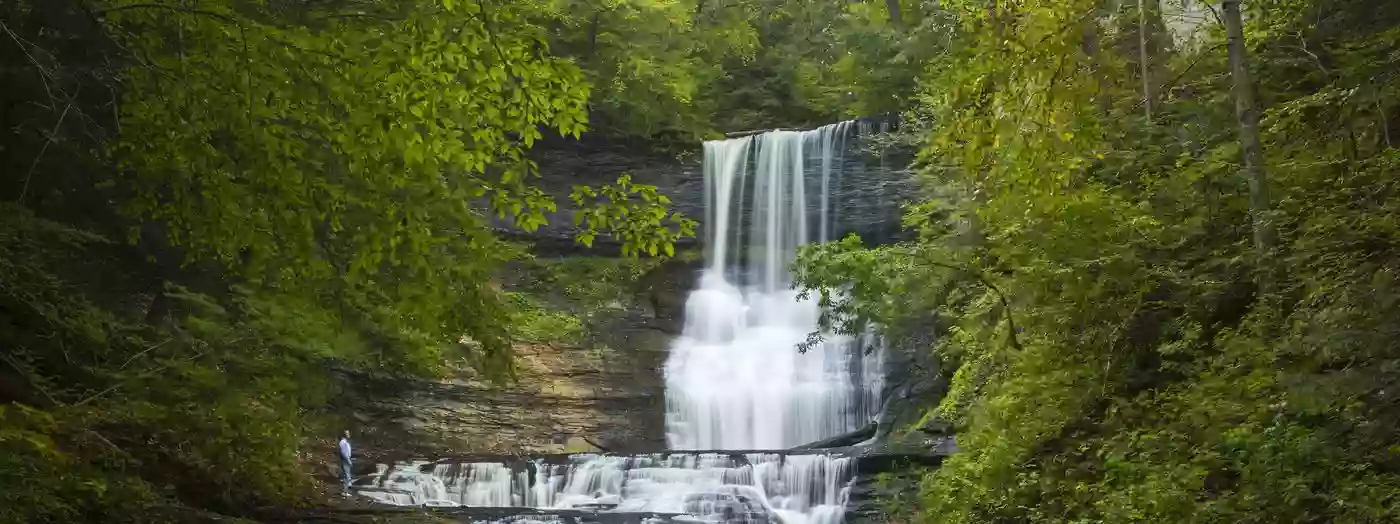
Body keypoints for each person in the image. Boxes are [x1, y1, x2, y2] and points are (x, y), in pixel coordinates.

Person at [337, 430, 353, 495]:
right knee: (346, 476)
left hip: (346, 459)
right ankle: (345, 491)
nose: (349, 434)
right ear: (344, 435)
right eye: (347, 433)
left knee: (347, 475)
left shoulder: (345, 442)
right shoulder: (343, 442)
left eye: (349, 433)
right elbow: (344, 453)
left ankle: (345, 491)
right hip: (345, 460)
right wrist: (349, 461)